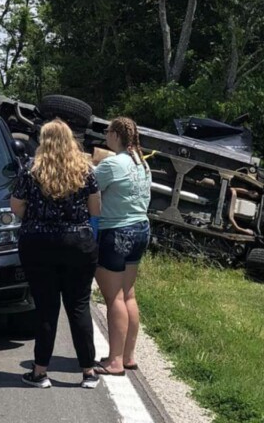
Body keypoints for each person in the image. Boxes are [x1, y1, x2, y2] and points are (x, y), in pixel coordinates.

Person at [11, 119, 102, 390]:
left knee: (46, 308)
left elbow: (16, 206)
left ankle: (40, 371)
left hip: (39, 243)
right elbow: (96, 209)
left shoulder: (30, 170)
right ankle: (88, 371)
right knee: (78, 306)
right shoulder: (85, 170)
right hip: (78, 243)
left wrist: (38, 217)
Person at [93, 117, 152, 377]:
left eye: (107, 131)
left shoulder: (112, 164)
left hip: (116, 230)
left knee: (113, 297)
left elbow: (89, 187)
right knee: (128, 294)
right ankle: (127, 355)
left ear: (116, 134)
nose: (105, 136)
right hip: (140, 228)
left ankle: (114, 360)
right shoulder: (142, 164)